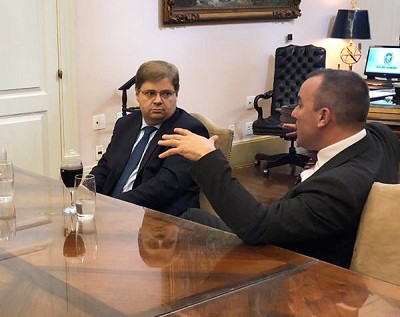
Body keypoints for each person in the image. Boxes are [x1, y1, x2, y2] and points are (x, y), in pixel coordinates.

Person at [158, 68, 400, 268]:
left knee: (188, 220)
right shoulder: (382, 138)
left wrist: (208, 157)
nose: (294, 113)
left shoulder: (338, 187)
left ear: (323, 117)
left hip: (290, 269)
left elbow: (257, 226)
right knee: (194, 216)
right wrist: (317, 136)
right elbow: (359, 126)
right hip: (297, 237)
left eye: (300, 105)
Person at [91, 60, 208, 216]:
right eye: (150, 93)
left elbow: (164, 187)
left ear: (176, 94)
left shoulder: (188, 131)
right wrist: (86, 191)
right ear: (137, 94)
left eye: (166, 93)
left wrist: (113, 207)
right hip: (112, 210)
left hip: (157, 218)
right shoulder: (125, 124)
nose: (158, 100)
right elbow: (106, 166)